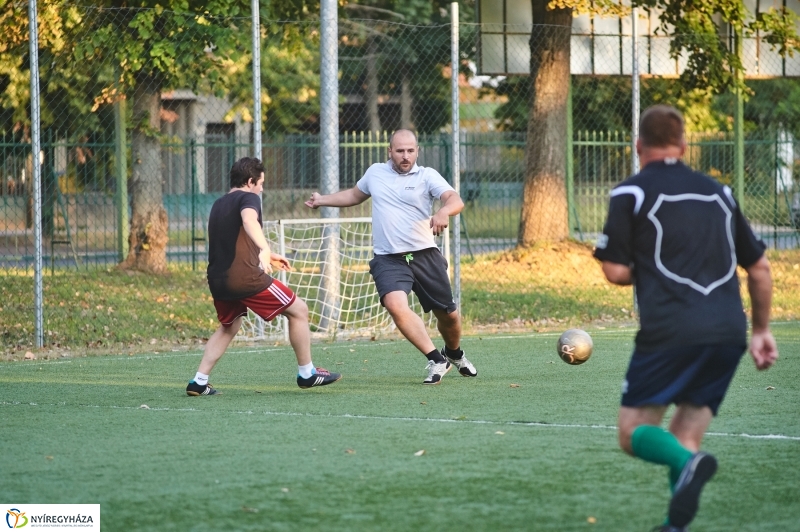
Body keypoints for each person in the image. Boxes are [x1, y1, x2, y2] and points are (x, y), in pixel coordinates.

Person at [593, 105, 778, 531]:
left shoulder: (631, 193)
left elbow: (615, 271)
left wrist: (648, 269)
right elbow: (761, 269)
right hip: (728, 332)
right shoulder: (721, 193)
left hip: (670, 331)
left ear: (638, 146)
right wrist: (762, 330)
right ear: (684, 145)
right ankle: (676, 526)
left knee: (632, 432)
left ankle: (689, 464)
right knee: (684, 434)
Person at [304, 129, 477, 385]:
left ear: (417, 151)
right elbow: (355, 195)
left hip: (424, 255)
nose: (405, 156)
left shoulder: (427, 175)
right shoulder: (375, 172)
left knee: (448, 315)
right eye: (400, 151)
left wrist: (443, 213)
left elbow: (454, 199)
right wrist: (322, 200)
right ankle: (436, 359)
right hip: (388, 258)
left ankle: (453, 353)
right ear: (390, 151)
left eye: (410, 150)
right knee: (396, 305)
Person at [186, 157, 341, 396]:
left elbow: (235, 239)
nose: (262, 189)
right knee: (299, 310)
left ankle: (198, 381)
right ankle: (307, 373)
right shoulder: (249, 198)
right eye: (260, 183)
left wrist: (268, 253)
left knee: (229, 326)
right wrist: (264, 248)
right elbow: (249, 220)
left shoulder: (218, 203)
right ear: (250, 181)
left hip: (218, 279)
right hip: (244, 278)